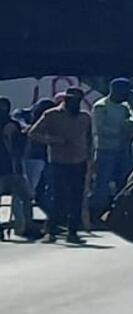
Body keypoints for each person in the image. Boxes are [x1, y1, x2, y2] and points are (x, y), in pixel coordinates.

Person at [28, 87, 92, 244]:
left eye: (77, 100)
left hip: (80, 161)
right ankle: (51, 230)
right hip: (59, 161)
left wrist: (91, 160)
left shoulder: (85, 117)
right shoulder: (52, 115)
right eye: (71, 99)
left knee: (77, 198)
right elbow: (33, 133)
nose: (74, 103)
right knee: (58, 198)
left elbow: (90, 139)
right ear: (65, 100)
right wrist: (54, 141)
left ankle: (73, 232)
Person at [89, 78, 133, 222]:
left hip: (122, 149)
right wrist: (120, 130)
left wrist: (130, 123)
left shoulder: (124, 106)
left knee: (124, 181)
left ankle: (119, 213)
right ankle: (97, 214)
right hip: (106, 149)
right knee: (102, 184)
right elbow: (100, 128)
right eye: (125, 92)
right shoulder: (101, 106)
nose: (126, 96)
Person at [16, 98, 56, 233]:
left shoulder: (50, 118)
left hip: (42, 157)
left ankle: (48, 221)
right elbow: (19, 120)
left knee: (40, 191)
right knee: (26, 191)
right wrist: (25, 126)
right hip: (27, 157)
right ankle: (23, 222)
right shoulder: (23, 114)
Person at [0, 97, 34, 239]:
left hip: (14, 167)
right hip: (9, 168)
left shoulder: (14, 124)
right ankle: (21, 227)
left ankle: (25, 227)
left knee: (24, 198)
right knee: (19, 199)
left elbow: (22, 143)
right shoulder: (12, 124)